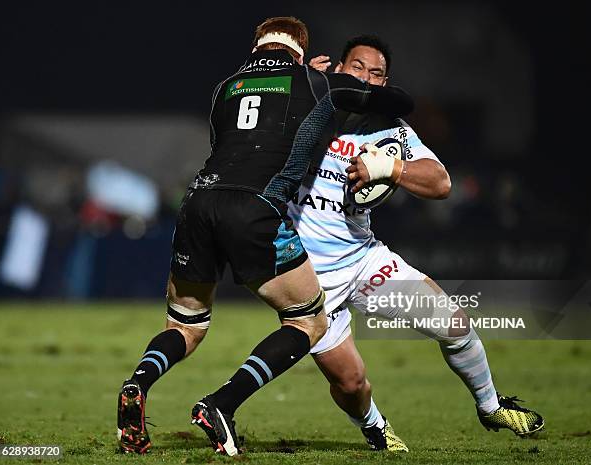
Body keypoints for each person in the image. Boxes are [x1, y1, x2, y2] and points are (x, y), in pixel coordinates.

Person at [116, 19, 415, 456]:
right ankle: (222, 403)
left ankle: (137, 383)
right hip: (254, 208)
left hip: (198, 202)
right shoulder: (315, 81)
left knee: (185, 326)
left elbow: (226, 143)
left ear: (258, 45)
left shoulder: (225, 86)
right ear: (300, 50)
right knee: (308, 321)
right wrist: (327, 80)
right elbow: (398, 101)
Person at [287, 35, 544, 451]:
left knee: (455, 325)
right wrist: (299, 81)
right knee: (352, 383)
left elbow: (440, 182)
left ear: (387, 83)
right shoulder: (301, 110)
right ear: (338, 68)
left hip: (363, 260)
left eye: (377, 73)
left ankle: (492, 405)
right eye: (358, 68)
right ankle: (374, 427)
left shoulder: (389, 128)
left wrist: (390, 166)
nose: (367, 79)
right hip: (305, 279)